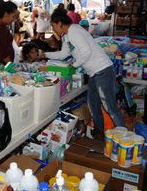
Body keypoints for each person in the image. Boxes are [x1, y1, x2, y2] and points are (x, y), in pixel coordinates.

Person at [43, 8, 126, 136]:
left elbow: (86, 52)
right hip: (94, 73)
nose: (53, 30)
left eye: (53, 26)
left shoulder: (74, 31)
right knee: (93, 105)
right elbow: (63, 54)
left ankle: (124, 137)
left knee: (110, 107)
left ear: (60, 23)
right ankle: (99, 135)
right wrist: (44, 54)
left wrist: (75, 64)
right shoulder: (67, 36)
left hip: (102, 70)